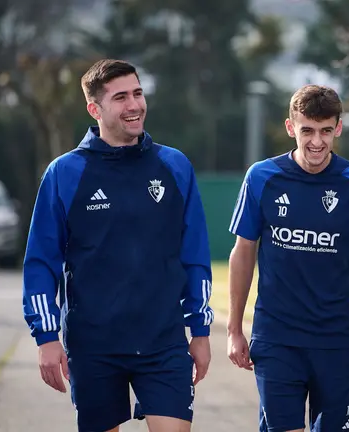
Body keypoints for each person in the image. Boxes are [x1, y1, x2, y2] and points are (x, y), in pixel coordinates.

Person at [22, 59, 213, 432]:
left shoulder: (174, 166)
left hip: (162, 342)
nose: (134, 105)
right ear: (95, 109)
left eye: (138, 93)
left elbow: (194, 255)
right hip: (94, 345)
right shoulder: (65, 173)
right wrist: (46, 337)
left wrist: (201, 331)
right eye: (120, 97)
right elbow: (42, 262)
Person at [226, 84, 349, 432]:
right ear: (291, 128)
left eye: (325, 131)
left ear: (338, 128)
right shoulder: (262, 177)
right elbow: (243, 252)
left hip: (337, 342)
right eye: (307, 131)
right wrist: (234, 329)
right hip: (276, 338)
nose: (317, 141)